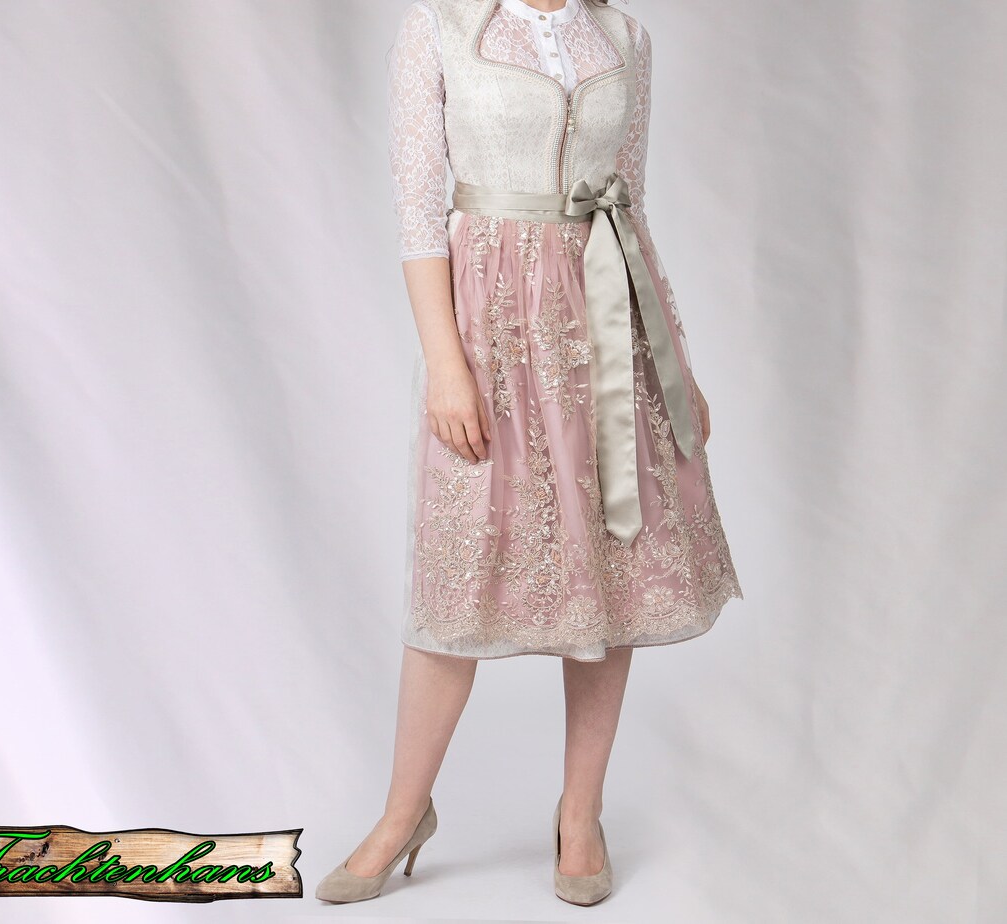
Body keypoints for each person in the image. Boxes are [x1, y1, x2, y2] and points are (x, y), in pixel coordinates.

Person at [316, 0, 744, 906]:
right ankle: (403, 812)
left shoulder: (625, 38)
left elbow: (630, 205)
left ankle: (580, 814)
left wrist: (677, 360)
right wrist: (446, 366)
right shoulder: (442, 26)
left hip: (609, 325)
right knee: (457, 579)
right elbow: (417, 210)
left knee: (612, 571)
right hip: (492, 331)